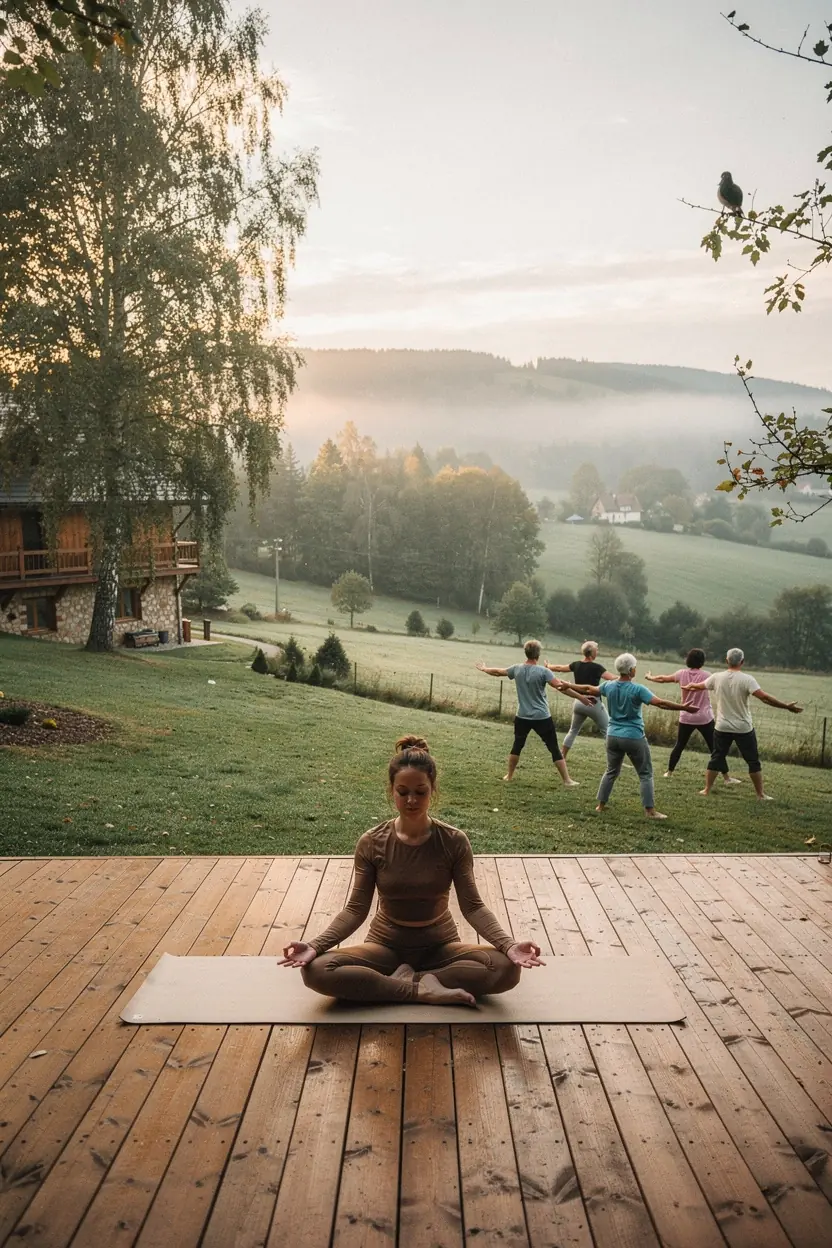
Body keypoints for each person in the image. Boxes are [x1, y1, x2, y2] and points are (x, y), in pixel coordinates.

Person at [279, 735, 544, 1006]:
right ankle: (421, 990)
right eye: (403, 792)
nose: (411, 800)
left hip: (440, 947)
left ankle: (406, 982)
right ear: (391, 791)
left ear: (433, 790)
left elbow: (473, 907)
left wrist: (509, 945)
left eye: (420, 792)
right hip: (385, 946)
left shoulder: (454, 841)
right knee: (316, 970)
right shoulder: (372, 842)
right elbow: (356, 909)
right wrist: (315, 946)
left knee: (507, 969)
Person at [561, 652, 692, 819]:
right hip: (633, 736)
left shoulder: (609, 686)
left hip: (612, 736)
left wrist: (568, 684)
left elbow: (588, 689)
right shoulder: (638, 689)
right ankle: (650, 811)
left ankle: (600, 806)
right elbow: (660, 703)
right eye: (634, 667)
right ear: (631, 670)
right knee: (645, 773)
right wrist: (683, 708)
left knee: (611, 771)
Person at [686, 647, 802, 800]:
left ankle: (706, 790)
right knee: (752, 761)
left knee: (717, 757)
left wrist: (688, 686)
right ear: (742, 661)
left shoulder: (716, 677)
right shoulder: (747, 679)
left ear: (726, 660)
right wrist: (786, 706)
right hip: (743, 728)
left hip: (722, 726)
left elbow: (699, 686)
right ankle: (760, 795)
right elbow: (764, 698)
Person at [475, 638, 588, 784]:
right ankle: (567, 780)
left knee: (517, 745)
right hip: (542, 717)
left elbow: (497, 672)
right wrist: (581, 697)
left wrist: (485, 669)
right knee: (553, 747)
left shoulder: (517, 669)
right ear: (538, 654)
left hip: (522, 715)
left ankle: (509, 776)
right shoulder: (544, 671)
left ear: (526, 653)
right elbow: (561, 688)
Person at [645, 648, 740, 785]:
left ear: (688, 660)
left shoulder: (681, 674)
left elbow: (663, 679)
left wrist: (650, 677)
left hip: (686, 716)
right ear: (702, 661)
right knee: (715, 748)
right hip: (704, 718)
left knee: (679, 745)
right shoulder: (707, 675)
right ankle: (727, 778)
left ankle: (669, 772)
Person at [547, 640, 615, 759]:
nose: (597, 652)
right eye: (596, 650)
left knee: (573, 730)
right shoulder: (597, 668)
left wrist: (548, 666)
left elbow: (559, 668)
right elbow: (612, 678)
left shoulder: (576, 665)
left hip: (578, 702)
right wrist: (625, 677)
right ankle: (614, 758)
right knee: (608, 731)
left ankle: (562, 756)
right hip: (593, 703)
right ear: (592, 653)